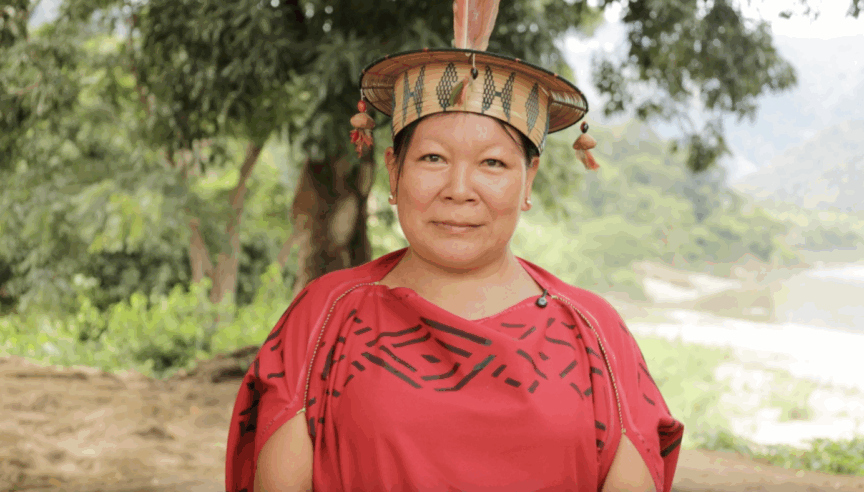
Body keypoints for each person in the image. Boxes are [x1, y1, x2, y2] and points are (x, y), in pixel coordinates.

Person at [225, 2, 683, 491]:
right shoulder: (323, 318)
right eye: (433, 158)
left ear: (529, 179)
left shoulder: (595, 334)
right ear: (394, 170)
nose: (459, 189)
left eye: (492, 164)